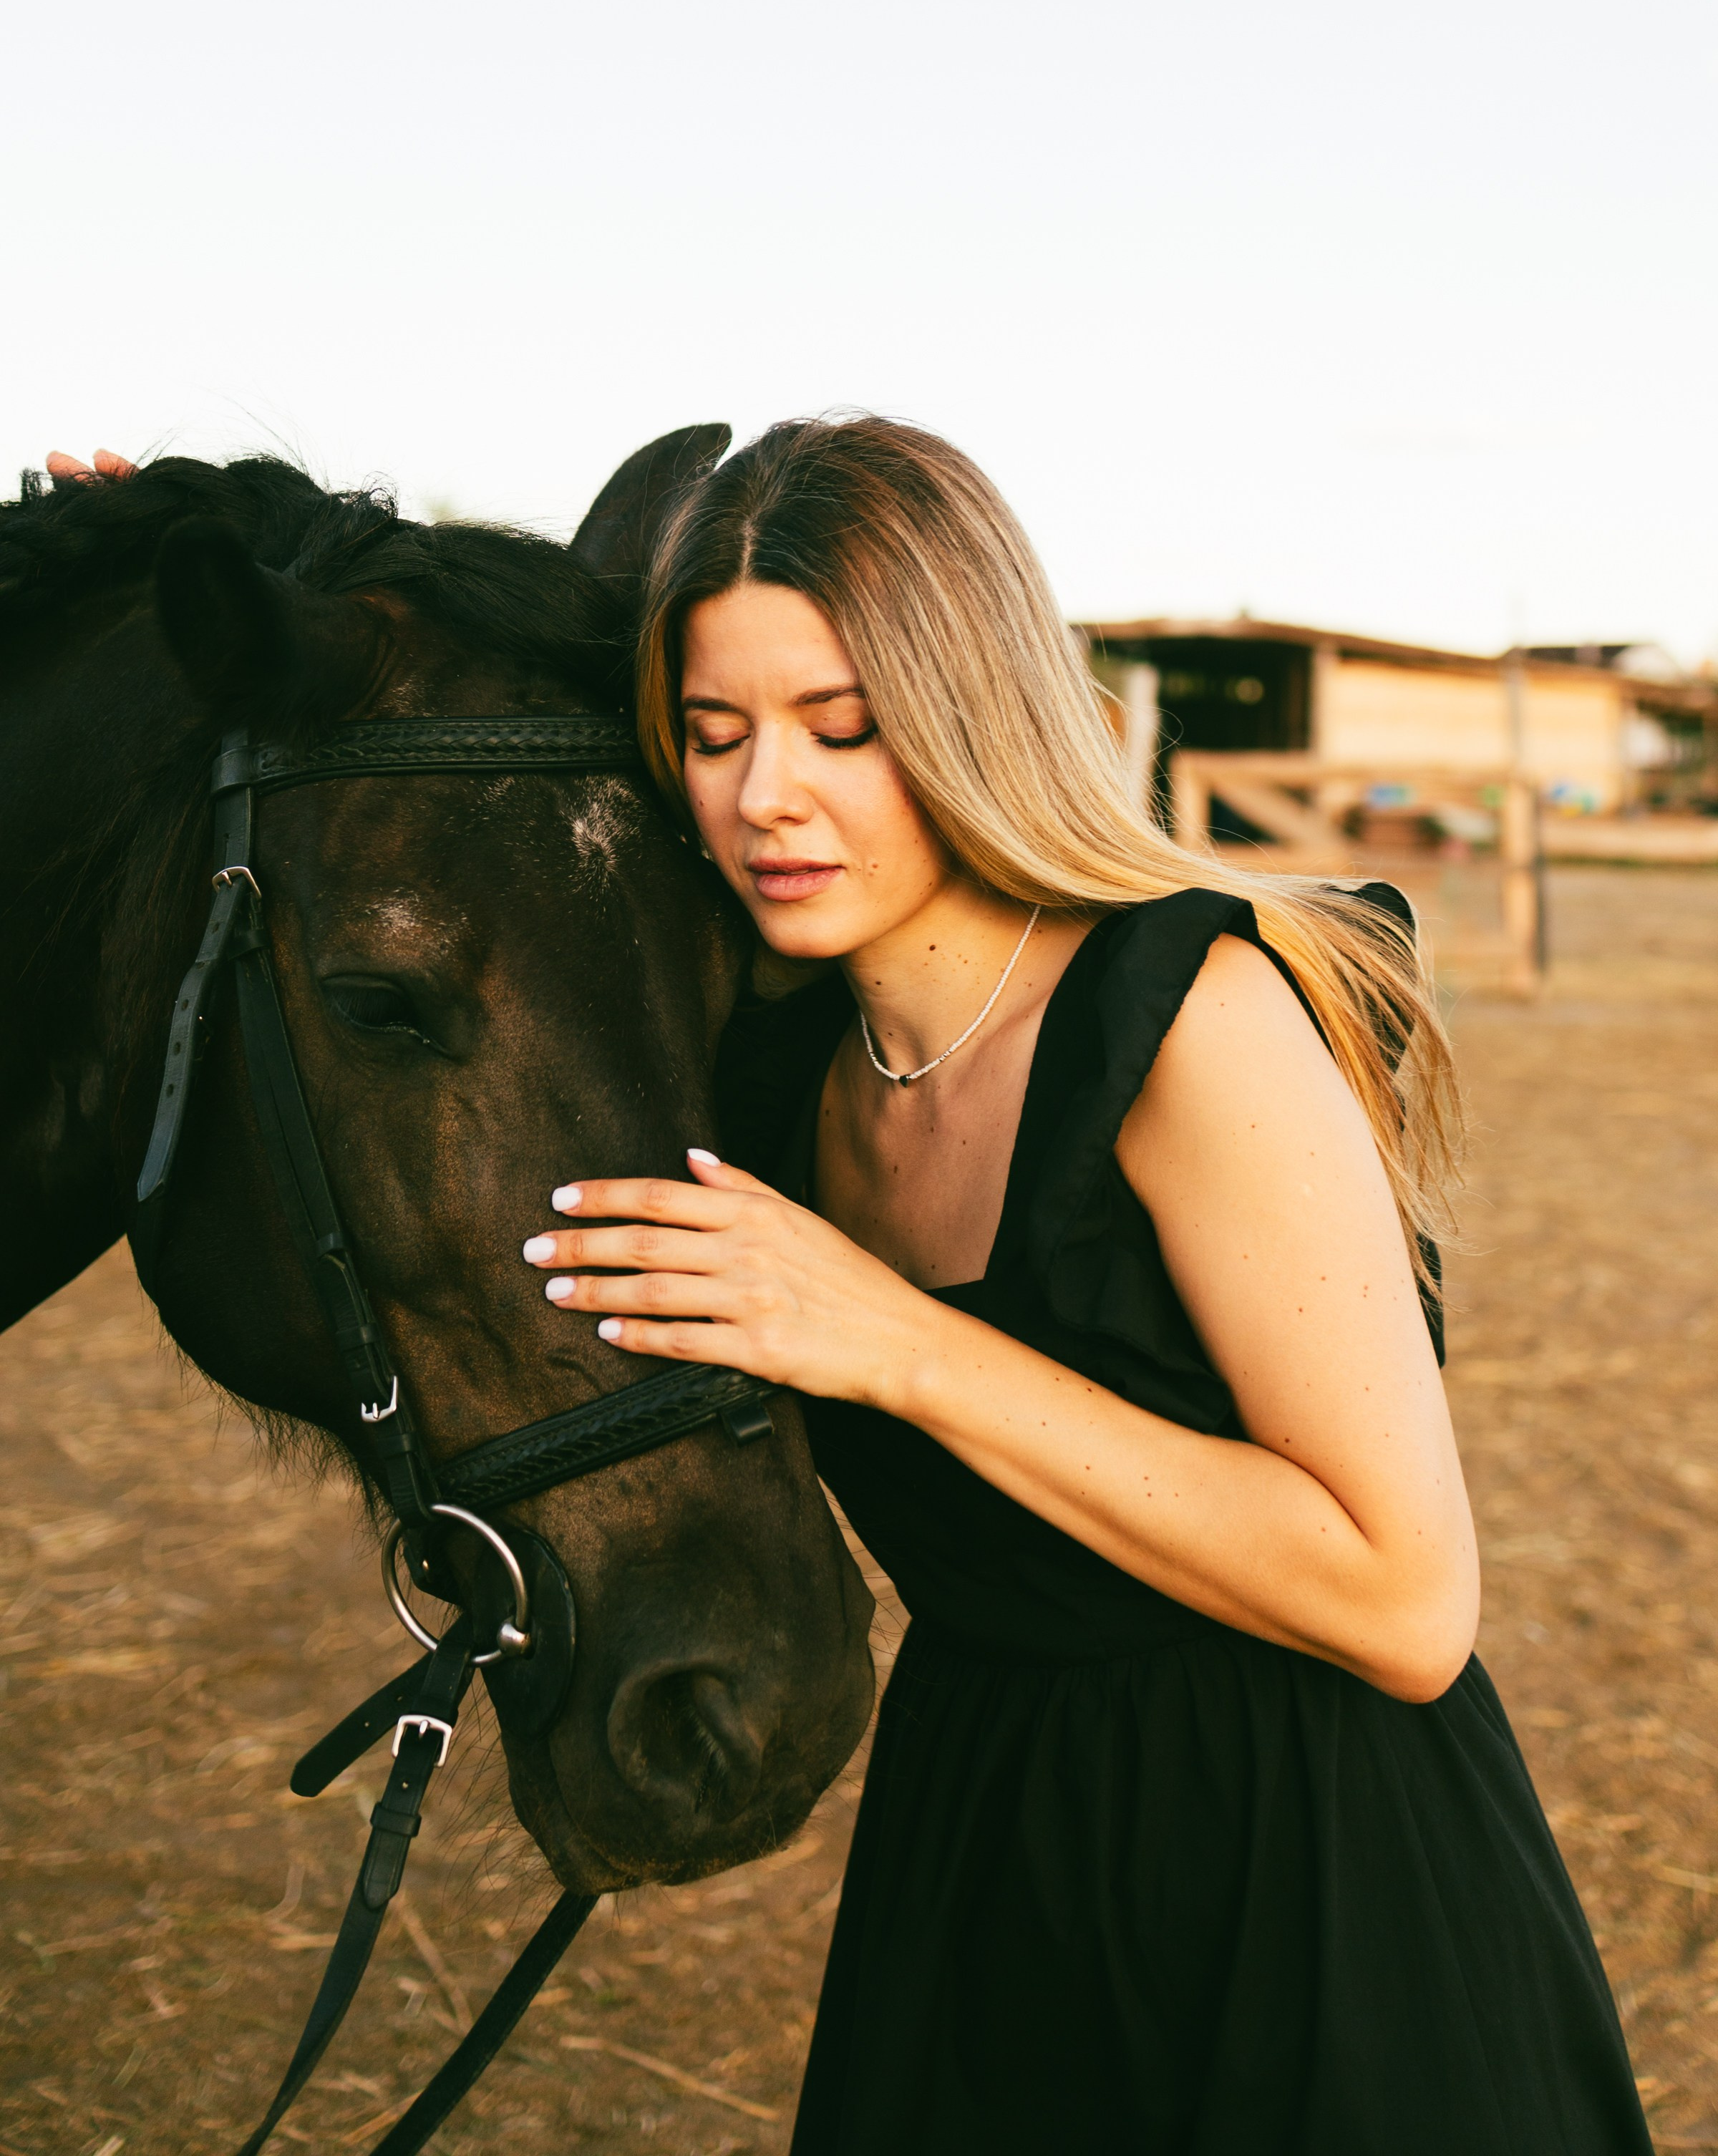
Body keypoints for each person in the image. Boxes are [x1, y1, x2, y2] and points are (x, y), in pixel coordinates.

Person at [511, 412, 1638, 2153]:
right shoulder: (771, 1080)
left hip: (1307, 1869)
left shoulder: (1184, 1023)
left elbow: (1409, 1606)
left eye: (843, 728)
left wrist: (891, 1342)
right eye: (714, 733)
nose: (764, 797)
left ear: (969, 717)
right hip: (982, 1847)